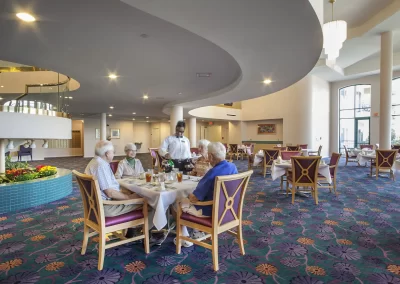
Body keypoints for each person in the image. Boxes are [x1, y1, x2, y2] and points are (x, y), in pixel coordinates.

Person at [174, 142, 238, 247]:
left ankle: (184, 236)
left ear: (211, 156)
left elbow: (195, 198)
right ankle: (196, 231)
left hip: (210, 211)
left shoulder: (213, 172)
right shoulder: (233, 167)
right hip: (228, 209)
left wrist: (188, 195)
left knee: (177, 202)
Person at [85, 140, 141, 237]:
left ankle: (133, 229)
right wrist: (129, 198)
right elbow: (110, 193)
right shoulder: (101, 166)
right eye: (113, 152)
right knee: (147, 202)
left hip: (94, 206)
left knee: (133, 195)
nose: (114, 154)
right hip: (106, 207)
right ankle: (142, 232)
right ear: (107, 154)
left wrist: (126, 194)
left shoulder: (94, 162)